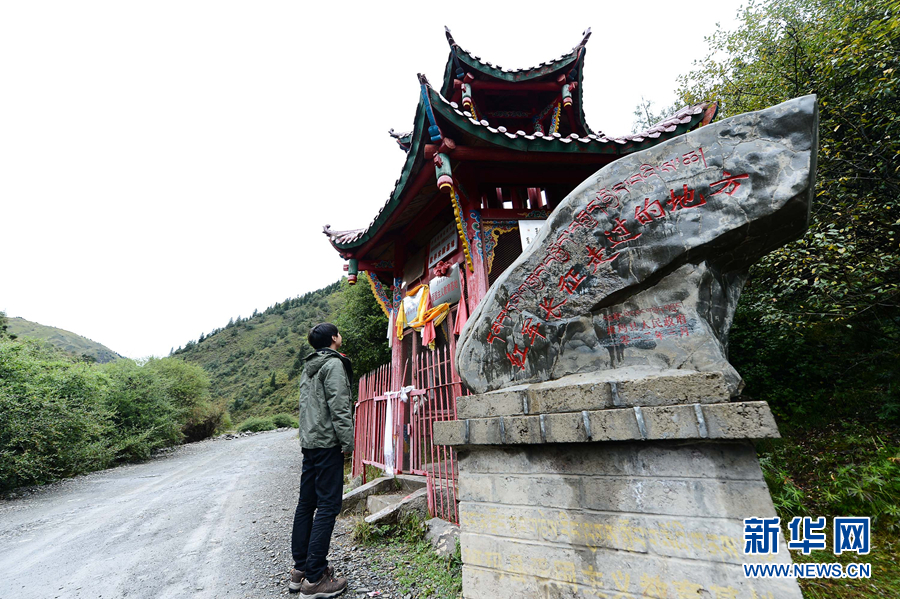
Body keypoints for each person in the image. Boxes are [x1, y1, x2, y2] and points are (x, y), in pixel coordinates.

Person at [289, 323, 353, 598]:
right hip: (327, 444)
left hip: (310, 443)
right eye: (339, 333)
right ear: (334, 338)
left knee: (306, 504)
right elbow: (339, 406)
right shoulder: (333, 364)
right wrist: (348, 443)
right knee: (328, 505)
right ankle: (315, 578)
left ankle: (300, 569)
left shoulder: (309, 366)